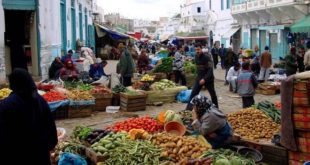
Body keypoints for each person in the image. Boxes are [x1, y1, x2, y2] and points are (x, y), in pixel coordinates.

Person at [0, 68, 58, 164]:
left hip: (17, 155)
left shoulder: (6, 105)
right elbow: (50, 126)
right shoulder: (40, 100)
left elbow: (3, 134)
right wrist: (49, 145)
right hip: (40, 153)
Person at [186, 44, 218, 110]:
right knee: (193, 93)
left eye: (198, 49)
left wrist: (204, 79)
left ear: (201, 49)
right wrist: (198, 77)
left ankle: (216, 108)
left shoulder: (207, 57)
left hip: (208, 79)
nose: (197, 51)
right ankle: (188, 109)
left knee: (213, 94)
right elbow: (198, 69)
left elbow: (210, 70)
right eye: (196, 50)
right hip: (199, 78)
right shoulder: (196, 57)